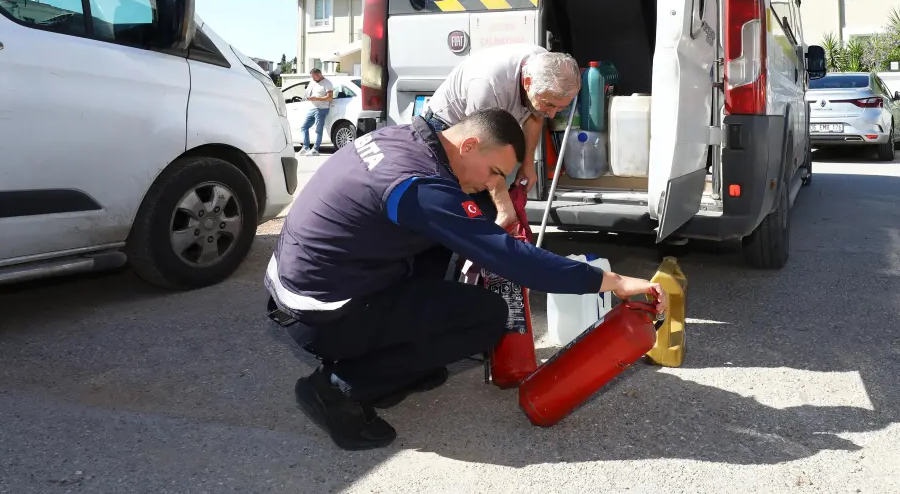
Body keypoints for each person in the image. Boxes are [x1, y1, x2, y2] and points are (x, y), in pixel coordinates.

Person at [265, 108, 663, 451]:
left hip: (303, 289)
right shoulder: (420, 187)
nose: (494, 185)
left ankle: (400, 363)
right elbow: (513, 260)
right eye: (495, 172)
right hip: (322, 316)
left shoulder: (406, 139)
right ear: (470, 144)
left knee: (444, 248)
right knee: (487, 317)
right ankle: (337, 387)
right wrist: (613, 281)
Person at [422, 44, 579, 228]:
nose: (552, 115)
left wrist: (527, 164)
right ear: (528, 83)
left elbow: (536, 115)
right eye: (550, 105)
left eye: (559, 108)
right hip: (448, 130)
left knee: (487, 213)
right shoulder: (488, 86)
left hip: (482, 138)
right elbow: (483, 155)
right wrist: (504, 208)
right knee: (465, 211)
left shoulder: (543, 63)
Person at [299, 67, 334, 155]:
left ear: (319, 74)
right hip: (313, 108)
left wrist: (316, 98)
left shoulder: (327, 83)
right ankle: (305, 147)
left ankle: (315, 149)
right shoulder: (314, 83)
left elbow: (330, 97)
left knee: (318, 130)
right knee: (304, 127)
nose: (313, 79)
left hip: (321, 109)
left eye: (314, 77)